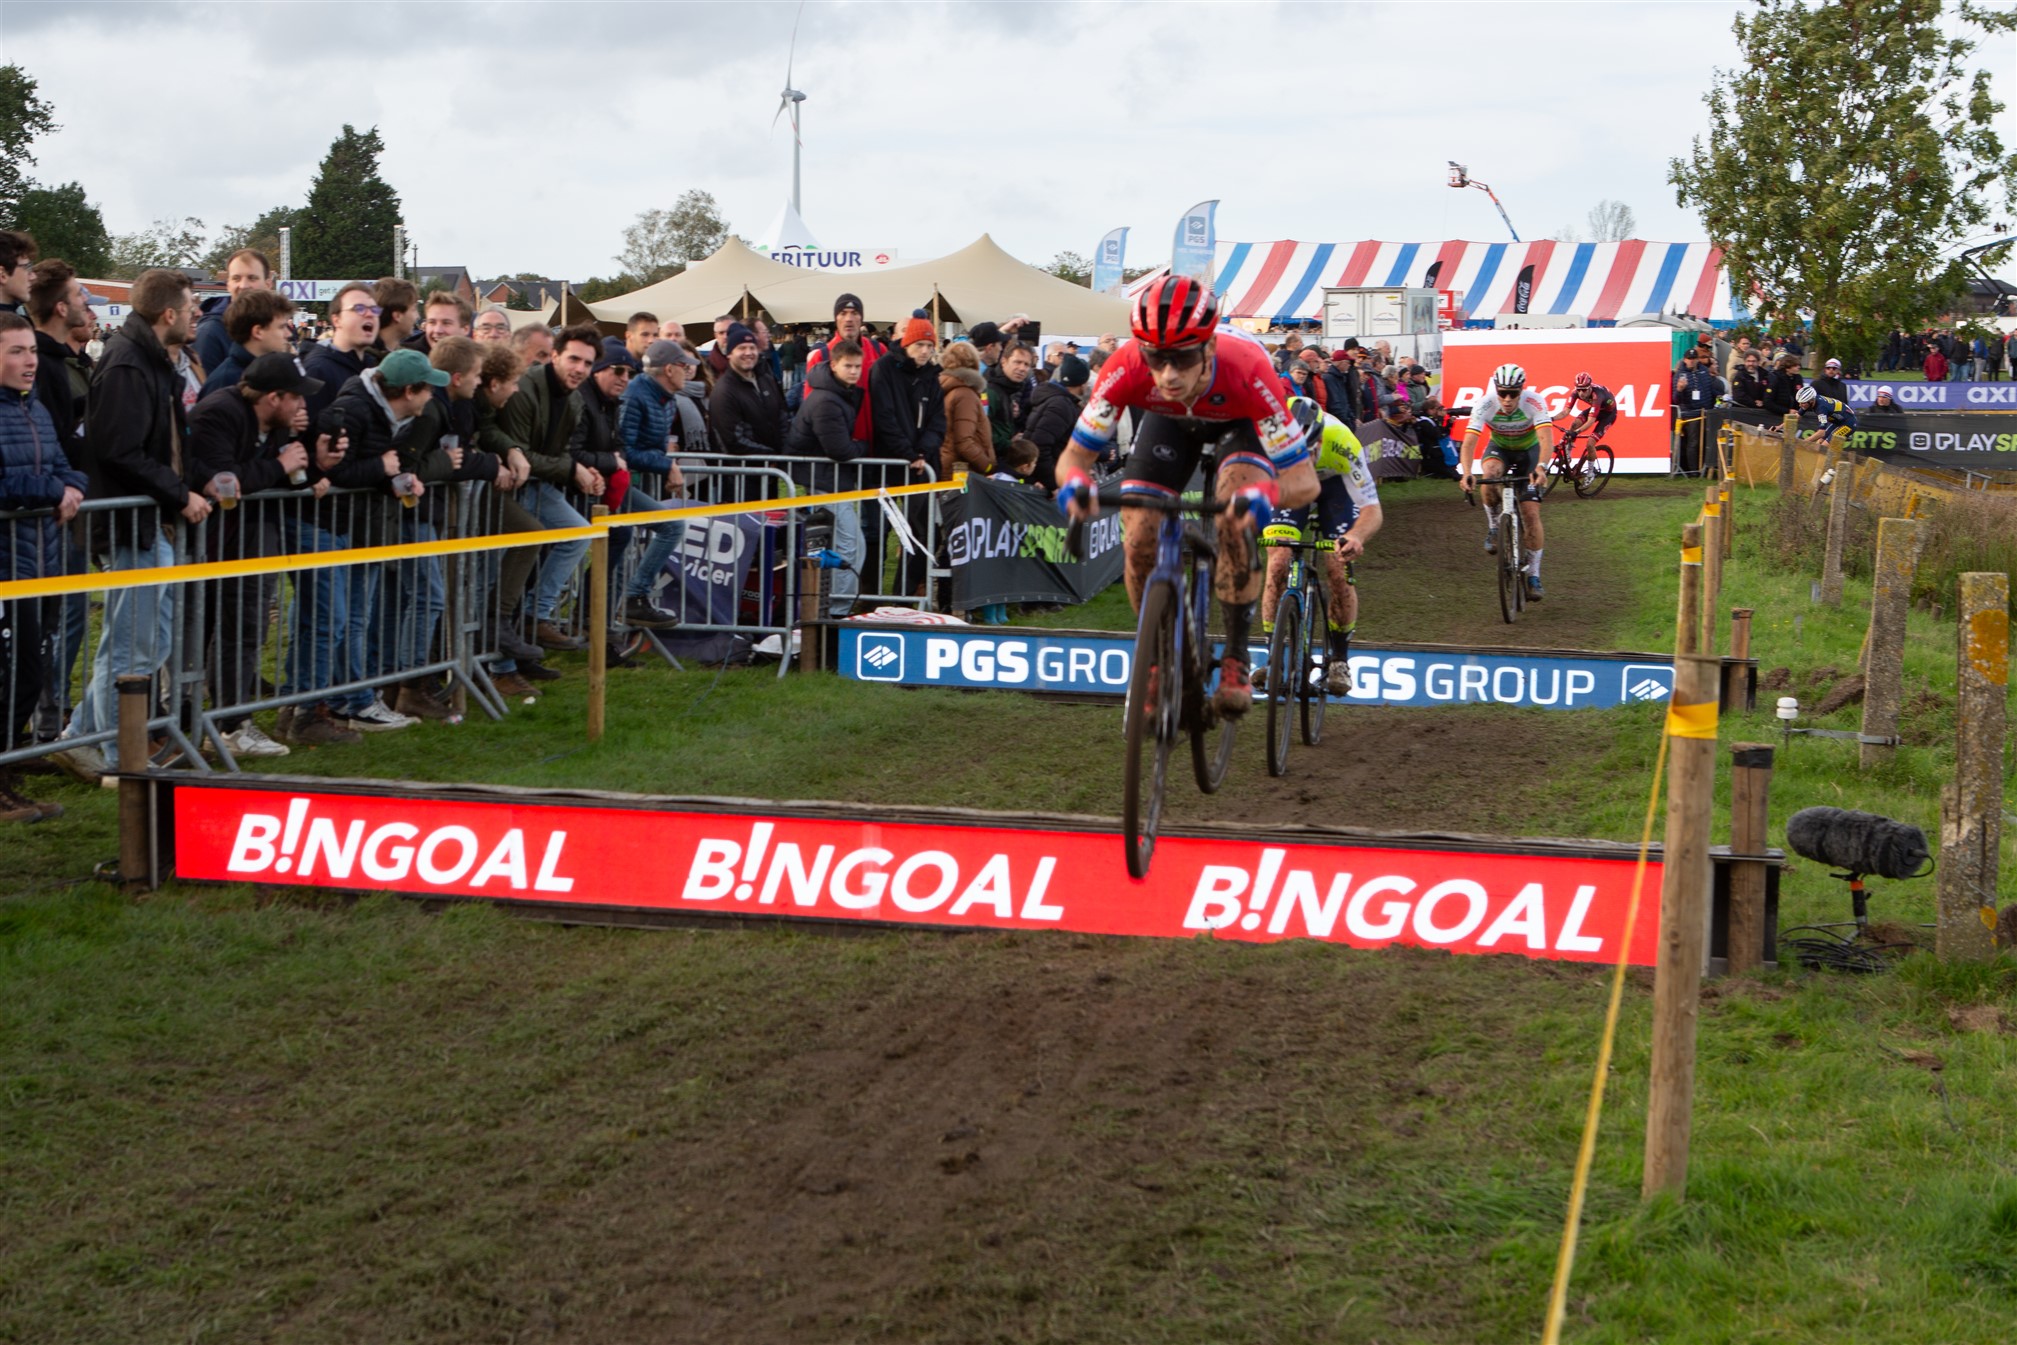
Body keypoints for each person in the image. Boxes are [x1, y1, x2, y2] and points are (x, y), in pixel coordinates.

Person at [1056, 276, 1317, 716]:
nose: (1168, 374)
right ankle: (1156, 661)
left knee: (1235, 516)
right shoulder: (1126, 367)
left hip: (1240, 423)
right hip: (1168, 424)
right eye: (1156, 358)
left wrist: (1264, 495)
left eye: (1182, 358)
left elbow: (1304, 481)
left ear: (1209, 349)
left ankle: (1235, 656)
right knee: (1139, 536)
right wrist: (1075, 485)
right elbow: (1073, 458)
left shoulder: (1250, 370)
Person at [52, 270, 214, 783]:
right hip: (128, 524)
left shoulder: (150, 360)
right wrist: (177, 492)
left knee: (146, 638)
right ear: (169, 314)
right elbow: (119, 450)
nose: (194, 318)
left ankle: (86, 735)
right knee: (132, 643)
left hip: (148, 520)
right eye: (190, 309)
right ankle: (103, 747)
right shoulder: (127, 364)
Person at [185, 352, 319, 757]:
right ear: (274, 397)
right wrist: (280, 465)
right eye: (296, 397)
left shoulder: (275, 423)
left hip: (246, 539)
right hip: (209, 543)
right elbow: (225, 483)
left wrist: (316, 467)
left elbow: (284, 475)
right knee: (200, 633)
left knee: (245, 626)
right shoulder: (220, 414)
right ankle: (210, 726)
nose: (302, 406)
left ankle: (230, 722)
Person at [0, 311, 87, 819]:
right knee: (11, 677)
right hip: (7, 566)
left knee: (27, 678)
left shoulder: (32, 409)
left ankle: (10, 773)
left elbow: (63, 464)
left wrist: (74, 485)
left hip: (41, 562)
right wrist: (54, 489)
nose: (30, 361)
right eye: (16, 351)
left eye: (31, 350)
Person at [1256, 396, 1381, 698]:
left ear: (1320, 439)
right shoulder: (1263, 437)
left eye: (1308, 451)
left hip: (1335, 487)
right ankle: (1272, 658)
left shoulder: (1343, 443)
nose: (1304, 458)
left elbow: (1372, 509)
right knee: (1278, 560)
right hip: (1289, 486)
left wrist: (1357, 537)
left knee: (1338, 566)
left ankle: (1339, 659)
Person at [494, 325, 599, 650]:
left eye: (587, 363)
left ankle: (531, 624)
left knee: (578, 534)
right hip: (508, 488)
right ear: (554, 356)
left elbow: (559, 452)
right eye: (573, 359)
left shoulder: (574, 400)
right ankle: (522, 634)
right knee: (512, 570)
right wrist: (572, 470)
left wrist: (581, 471)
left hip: (539, 485)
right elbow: (520, 454)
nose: (580, 369)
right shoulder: (525, 389)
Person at [788, 336, 872, 617]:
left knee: (845, 544)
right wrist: (864, 446)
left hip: (829, 480)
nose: (854, 372)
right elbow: (840, 449)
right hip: (826, 481)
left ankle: (834, 607)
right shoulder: (827, 400)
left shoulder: (834, 393)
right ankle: (836, 610)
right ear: (834, 365)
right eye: (848, 366)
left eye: (858, 366)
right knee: (848, 545)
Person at [1458, 362, 1551, 601]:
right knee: (1488, 476)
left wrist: (1541, 467)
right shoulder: (1485, 404)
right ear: (1496, 389)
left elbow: (1545, 439)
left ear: (1522, 390)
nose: (1507, 399)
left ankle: (1533, 574)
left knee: (1530, 513)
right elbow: (1469, 443)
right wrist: (1467, 471)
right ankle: (1494, 526)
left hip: (1528, 452)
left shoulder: (1535, 402)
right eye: (1502, 393)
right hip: (1500, 448)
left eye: (1513, 394)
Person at [708, 321, 788, 456]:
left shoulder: (766, 380)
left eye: (752, 347)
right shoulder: (724, 391)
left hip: (774, 467)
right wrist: (770, 457)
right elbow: (733, 440)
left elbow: (783, 417)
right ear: (729, 354)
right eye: (741, 348)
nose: (748, 353)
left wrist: (785, 450)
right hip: (745, 471)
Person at [200, 287, 297, 395]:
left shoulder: (267, 371)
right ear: (258, 332)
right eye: (282, 327)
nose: (289, 334)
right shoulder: (225, 382)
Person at [193, 247, 274, 372]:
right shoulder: (210, 332)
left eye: (252, 278)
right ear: (228, 284)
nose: (243, 286)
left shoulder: (275, 327)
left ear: (268, 285)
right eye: (236, 278)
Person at [1022, 353, 1089, 490]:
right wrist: (1055, 483)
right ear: (1081, 383)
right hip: (1047, 485)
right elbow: (1040, 447)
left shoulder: (1061, 401)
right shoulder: (1060, 405)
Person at [937, 340, 993, 478]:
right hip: (961, 471)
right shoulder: (965, 394)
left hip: (946, 465)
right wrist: (988, 466)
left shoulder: (946, 387)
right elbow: (964, 442)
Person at [985, 340, 1033, 456]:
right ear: (1004, 361)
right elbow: (980, 430)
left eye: (1026, 364)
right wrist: (1009, 443)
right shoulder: (990, 391)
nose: (1022, 368)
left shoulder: (1009, 388)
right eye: (1017, 362)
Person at [1565, 372, 1618, 449]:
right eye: (1578, 389)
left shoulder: (1597, 395)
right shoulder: (1575, 392)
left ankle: (1591, 461)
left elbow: (1590, 421)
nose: (1581, 393)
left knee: (1590, 444)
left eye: (1584, 390)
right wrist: (1551, 418)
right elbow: (1565, 411)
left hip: (1608, 415)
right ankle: (1568, 454)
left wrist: (1576, 432)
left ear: (1589, 387)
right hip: (1598, 408)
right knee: (1574, 425)